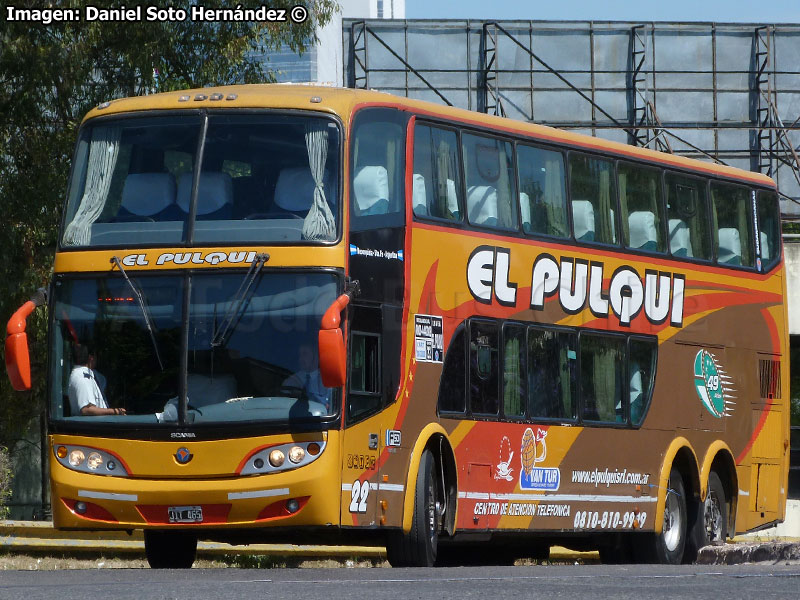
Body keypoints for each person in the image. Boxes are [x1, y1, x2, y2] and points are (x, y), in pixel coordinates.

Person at [68, 343, 126, 416]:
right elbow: (87, 409)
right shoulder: (83, 378)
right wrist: (115, 412)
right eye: (96, 356)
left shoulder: (88, 376)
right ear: (91, 358)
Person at [283, 343, 330, 410]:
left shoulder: (327, 380)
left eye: (305, 354)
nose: (301, 358)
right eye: (300, 355)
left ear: (315, 356)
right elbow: (283, 403)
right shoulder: (292, 380)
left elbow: (330, 407)